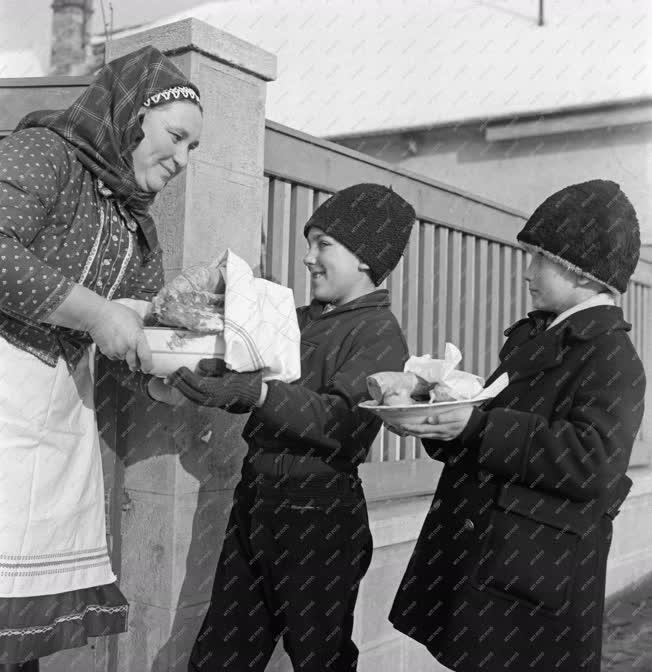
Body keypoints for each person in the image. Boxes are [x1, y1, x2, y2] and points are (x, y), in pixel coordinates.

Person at [389, 179, 646, 672]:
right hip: (496, 560)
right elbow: (485, 423)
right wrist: (435, 416)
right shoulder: (540, 335)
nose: (528, 272)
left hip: (532, 573)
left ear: (583, 271)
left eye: (542, 258)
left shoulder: (612, 355)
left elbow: (591, 461)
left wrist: (476, 428)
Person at [0, 47, 202, 670]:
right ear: (128, 114)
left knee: (16, 634)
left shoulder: (136, 225)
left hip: (54, 418)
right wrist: (94, 312)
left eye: (193, 148)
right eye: (176, 137)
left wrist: (173, 368)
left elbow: (136, 331)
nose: (182, 160)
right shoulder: (43, 154)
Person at [166, 184, 415, 671]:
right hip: (256, 498)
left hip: (319, 513)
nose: (308, 258)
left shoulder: (378, 334)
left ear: (365, 257)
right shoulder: (295, 321)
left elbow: (340, 423)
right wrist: (216, 374)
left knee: (319, 658)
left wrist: (255, 392)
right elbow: (261, 384)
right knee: (221, 653)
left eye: (324, 244)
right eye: (309, 243)